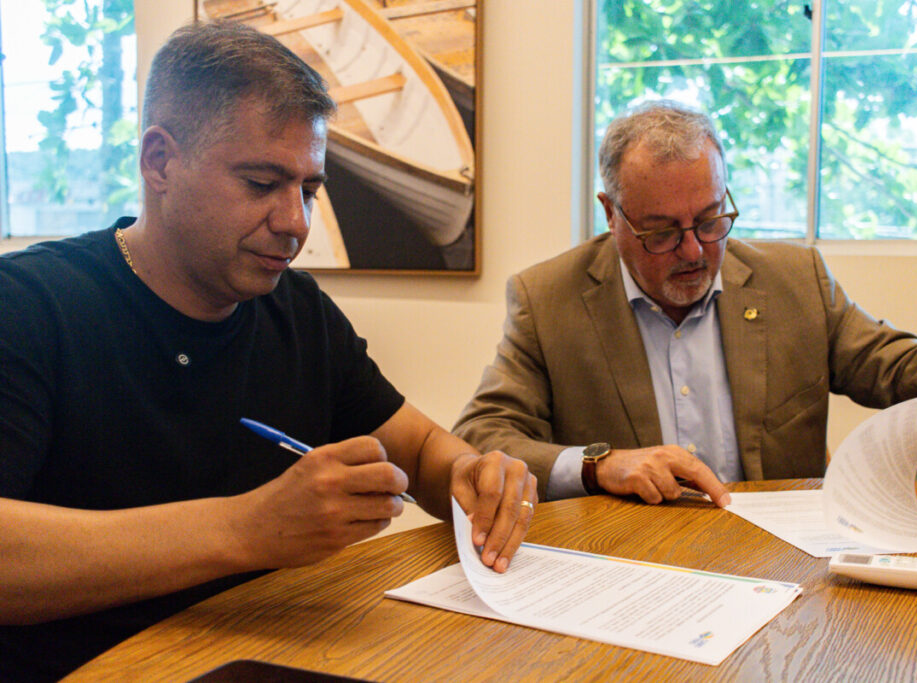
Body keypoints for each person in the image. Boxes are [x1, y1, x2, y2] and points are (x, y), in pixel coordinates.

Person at [0, 21, 536, 681]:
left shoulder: (297, 309)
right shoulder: (29, 306)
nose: (296, 223)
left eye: (309, 191)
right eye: (261, 184)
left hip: (271, 656)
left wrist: (473, 472)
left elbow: (421, 449)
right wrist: (245, 529)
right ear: (160, 162)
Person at [452, 101, 917, 507]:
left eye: (710, 221)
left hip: (780, 558)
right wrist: (599, 464)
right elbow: (483, 434)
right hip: (630, 560)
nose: (694, 251)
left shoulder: (792, 279)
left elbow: (887, 360)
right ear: (611, 213)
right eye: (662, 232)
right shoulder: (548, 299)